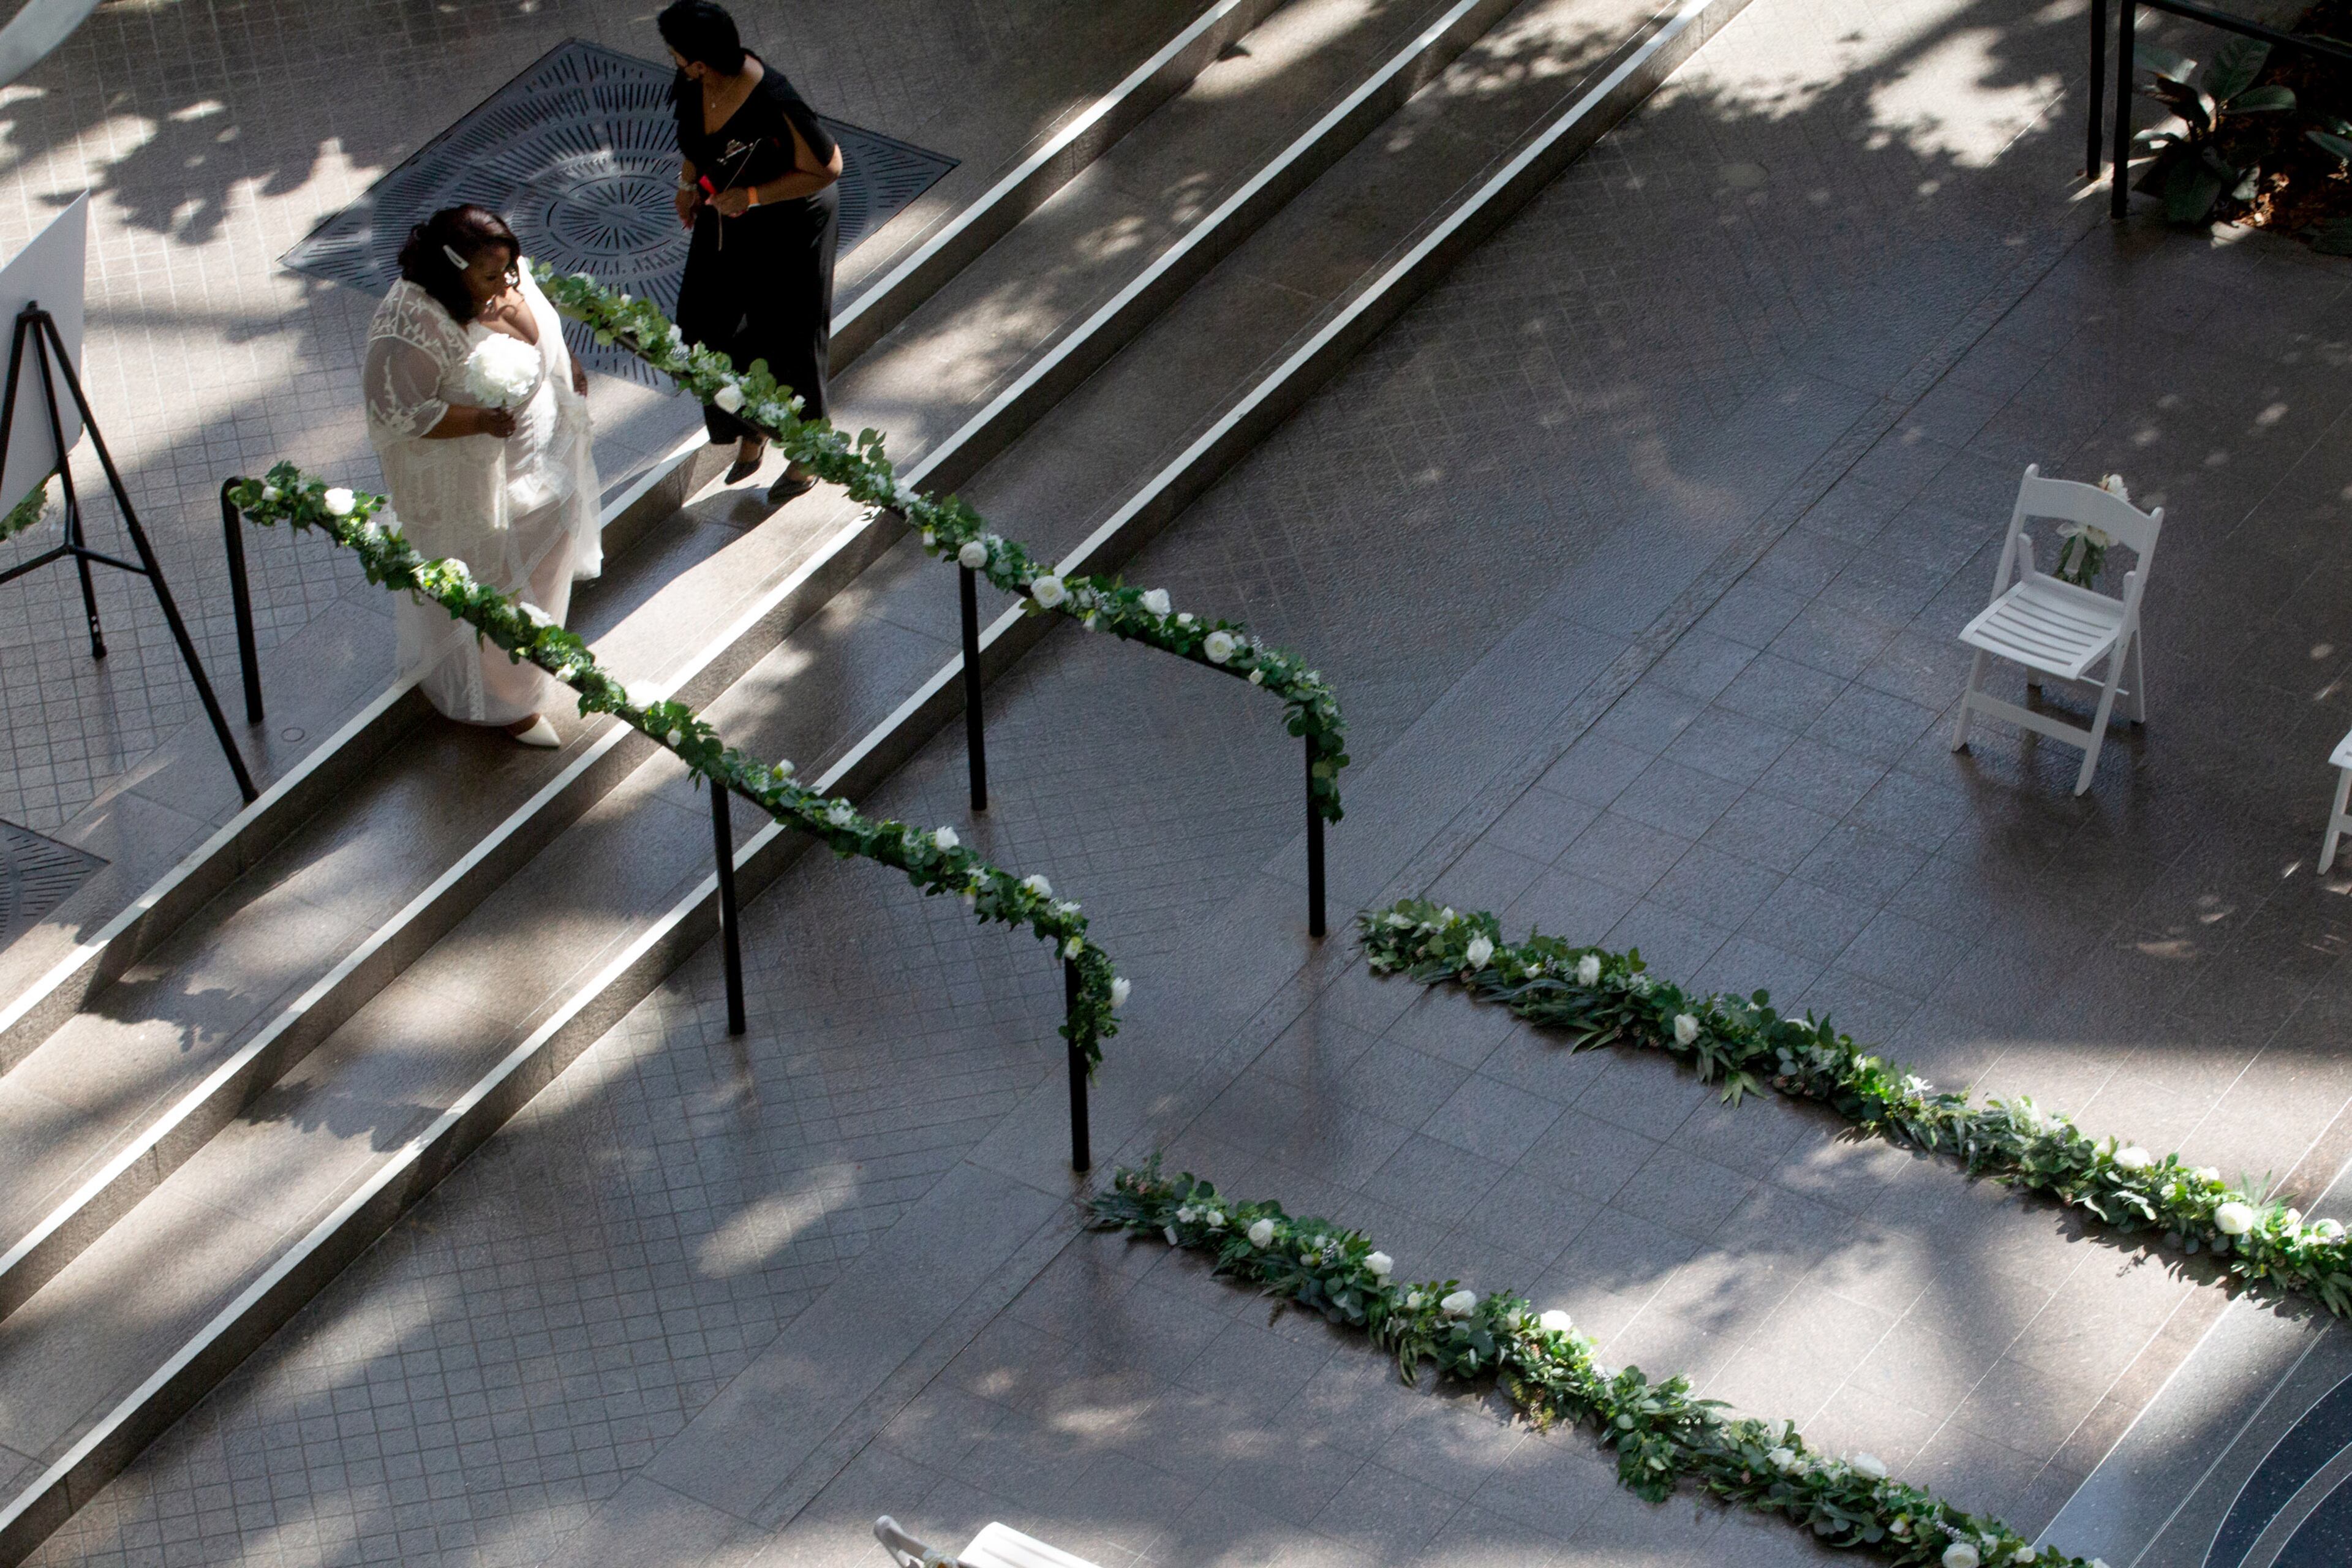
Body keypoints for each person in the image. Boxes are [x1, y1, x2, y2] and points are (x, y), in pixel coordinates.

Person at [361, 205, 601, 747]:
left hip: (543, 464)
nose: (508, 283)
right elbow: (396, 412)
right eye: (492, 276)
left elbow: (543, 335)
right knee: (497, 588)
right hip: (481, 489)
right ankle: (507, 704)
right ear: (451, 270)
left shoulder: (503, 273)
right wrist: (478, 419)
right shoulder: (410, 326)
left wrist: (567, 367)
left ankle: (531, 663)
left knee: (544, 567)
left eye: (510, 270)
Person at [660, 0, 842, 506]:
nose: (673, 60)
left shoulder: (773, 97)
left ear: (701, 58)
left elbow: (828, 167)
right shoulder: (696, 80)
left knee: (791, 332)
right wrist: (687, 182)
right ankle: (754, 423)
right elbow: (694, 139)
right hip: (728, 207)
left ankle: (808, 449)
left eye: (678, 53)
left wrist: (754, 197)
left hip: (789, 218)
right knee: (703, 325)